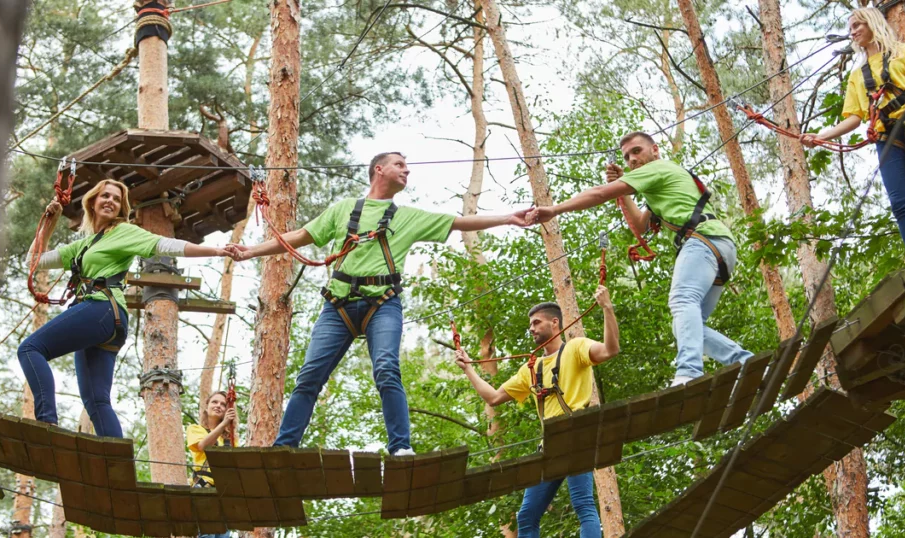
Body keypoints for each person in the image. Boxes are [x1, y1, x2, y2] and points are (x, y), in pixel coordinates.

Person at [227, 152, 533, 456]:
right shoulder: (344, 209)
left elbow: (460, 222)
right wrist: (251, 251)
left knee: (387, 369)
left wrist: (508, 217)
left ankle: (400, 447)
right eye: (400, 164)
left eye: (407, 164)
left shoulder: (408, 217)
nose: (407, 170)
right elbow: (299, 236)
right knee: (309, 376)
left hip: (382, 305)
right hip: (338, 306)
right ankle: (284, 447)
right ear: (379, 169)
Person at [527, 133, 752, 385]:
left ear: (655, 150)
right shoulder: (659, 179)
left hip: (702, 241)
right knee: (685, 326)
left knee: (681, 301)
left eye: (637, 151)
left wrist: (554, 210)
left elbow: (600, 193)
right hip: (718, 246)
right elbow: (640, 225)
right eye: (627, 156)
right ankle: (744, 362)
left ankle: (689, 371)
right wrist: (624, 192)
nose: (632, 159)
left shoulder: (657, 167)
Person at [20, 179, 230, 437]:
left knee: (30, 348)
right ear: (93, 202)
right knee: (97, 401)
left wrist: (216, 250)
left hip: (102, 310)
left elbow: (164, 245)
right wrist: (48, 226)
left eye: (116, 199)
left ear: (121, 208)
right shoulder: (82, 245)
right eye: (105, 196)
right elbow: (34, 262)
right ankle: (118, 469)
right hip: (106, 321)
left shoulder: (124, 232)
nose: (110, 201)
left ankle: (47, 423)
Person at [454, 286, 620, 538]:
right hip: (550, 445)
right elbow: (494, 397)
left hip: (576, 436)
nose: (531, 328)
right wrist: (469, 369)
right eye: (530, 324)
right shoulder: (531, 368)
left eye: (536, 323)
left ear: (555, 323)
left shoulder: (576, 348)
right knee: (526, 515)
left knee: (583, 504)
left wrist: (607, 308)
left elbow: (610, 350)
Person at [800, 7, 905, 264]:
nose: (852, 32)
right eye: (850, 28)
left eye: (856, 26)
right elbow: (854, 117)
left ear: (872, 23)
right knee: (899, 202)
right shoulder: (857, 75)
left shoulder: (904, 51)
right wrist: (823, 135)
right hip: (887, 135)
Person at [187, 391, 237, 538]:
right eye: (214, 402)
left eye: (223, 404)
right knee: (207, 534)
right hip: (204, 488)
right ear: (206, 407)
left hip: (224, 493)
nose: (218, 406)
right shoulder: (196, 429)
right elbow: (203, 445)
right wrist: (223, 424)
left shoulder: (230, 439)